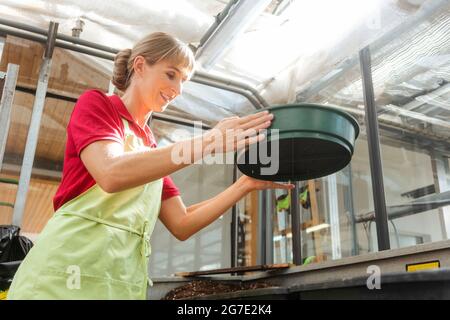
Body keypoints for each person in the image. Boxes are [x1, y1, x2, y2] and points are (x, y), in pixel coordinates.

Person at [7, 32, 293, 300]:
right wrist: (208, 142)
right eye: (171, 74)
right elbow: (111, 172)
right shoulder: (98, 105)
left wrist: (245, 185)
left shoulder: (150, 151)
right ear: (140, 66)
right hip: (63, 274)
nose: (178, 89)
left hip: (118, 281)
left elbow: (182, 223)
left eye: (184, 81)